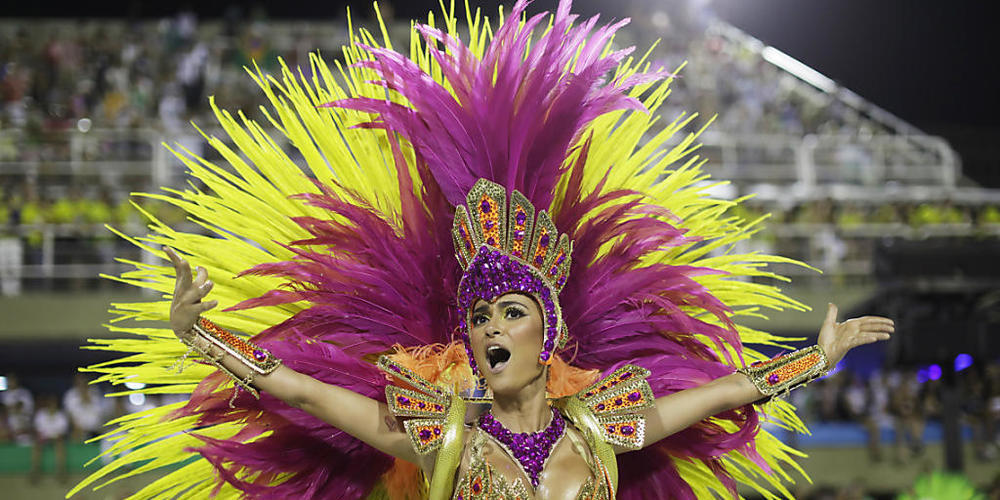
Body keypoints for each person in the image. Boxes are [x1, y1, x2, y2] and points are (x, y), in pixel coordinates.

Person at [71, 1, 894, 499]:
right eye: (479, 317)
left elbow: (723, 394)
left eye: (510, 311)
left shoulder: (608, 424)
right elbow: (307, 392)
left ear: (550, 333)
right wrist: (198, 337)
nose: (491, 328)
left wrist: (814, 361)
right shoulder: (441, 432)